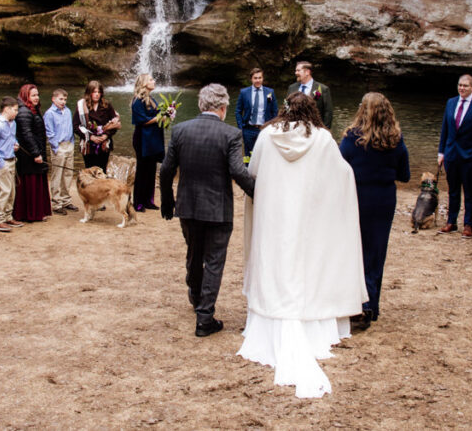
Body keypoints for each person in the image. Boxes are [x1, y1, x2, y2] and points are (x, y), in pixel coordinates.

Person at [238, 91, 367, 398]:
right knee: (305, 261)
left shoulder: (267, 135)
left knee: (275, 262)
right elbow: (342, 174)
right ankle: (312, 324)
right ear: (313, 109)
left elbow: (253, 175)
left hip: (273, 216)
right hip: (307, 218)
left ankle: (270, 320)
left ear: (284, 109)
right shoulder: (322, 139)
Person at [159, 84, 255, 338]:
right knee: (214, 261)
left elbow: (166, 170)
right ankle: (204, 317)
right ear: (223, 108)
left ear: (202, 105)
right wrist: (259, 193)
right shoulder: (232, 134)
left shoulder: (180, 130)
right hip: (217, 209)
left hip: (188, 206)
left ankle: (195, 297)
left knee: (194, 252)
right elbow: (237, 171)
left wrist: (168, 201)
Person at [339, 92, 410, 329]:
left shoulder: (351, 138)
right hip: (383, 199)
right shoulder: (396, 140)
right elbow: (405, 175)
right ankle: (371, 306)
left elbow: (338, 168)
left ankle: (353, 304)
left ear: (362, 111)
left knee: (354, 251)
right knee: (376, 252)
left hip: (356, 197)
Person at [437, 74, 472, 237]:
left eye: (465, 86)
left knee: (469, 190)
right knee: (452, 189)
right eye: (460, 85)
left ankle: (468, 224)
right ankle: (451, 221)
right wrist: (441, 152)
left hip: (469, 155)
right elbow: (445, 129)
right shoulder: (451, 102)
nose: (462, 88)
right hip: (451, 153)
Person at [14, 84, 53, 223]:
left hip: (34, 151)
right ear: (26, 96)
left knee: (36, 181)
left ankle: (36, 212)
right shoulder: (24, 111)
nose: (37, 98)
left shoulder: (32, 110)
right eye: (33, 95)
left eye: (37, 95)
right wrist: (36, 153)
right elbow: (26, 134)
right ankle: (29, 214)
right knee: (30, 182)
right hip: (28, 156)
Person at [0, 97, 23, 233]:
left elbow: (12, 138)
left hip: (11, 159)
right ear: (7, 109)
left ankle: (8, 216)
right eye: (15, 110)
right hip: (2, 161)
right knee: (5, 190)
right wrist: (1, 163)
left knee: (12, 190)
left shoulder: (12, 123)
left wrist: (16, 145)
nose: (16, 113)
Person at [131, 73, 164, 211]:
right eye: (151, 79)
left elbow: (157, 116)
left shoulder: (152, 99)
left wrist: (167, 116)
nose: (153, 81)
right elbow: (142, 121)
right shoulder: (137, 101)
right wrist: (159, 117)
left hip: (153, 138)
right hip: (143, 139)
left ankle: (148, 200)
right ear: (144, 83)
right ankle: (138, 202)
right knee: (142, 170)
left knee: (151, 170)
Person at [74, 80, 121, 172]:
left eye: (99, 92)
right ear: (89, 93)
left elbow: (115, 123)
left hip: (104, 144)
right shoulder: (82, 106)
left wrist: (106, 135)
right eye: (94, 92)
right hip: (88, 145)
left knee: (102, 170)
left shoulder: (107, 105)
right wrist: (91, 137)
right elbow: (75, 126)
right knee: (90, 171)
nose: (97, 94)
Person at [44, 88, 76, 215]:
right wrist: (55, 147)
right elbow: (50, 132)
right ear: (54, 99)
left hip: (69, 144)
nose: (63, 101)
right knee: (57, 174)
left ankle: (66, 199)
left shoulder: (67, 111)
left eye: (65, 99)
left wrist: (72, 143)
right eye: (60, 99)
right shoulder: (50, 113)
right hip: (59, 145)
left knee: (68, 174)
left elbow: (70, 128)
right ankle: (57, 203)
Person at [235, 68, 278, 160]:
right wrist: (241, 128)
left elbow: (275, 111)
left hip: (264, 129)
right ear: (251, 79)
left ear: (263, 78)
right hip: (248, 129)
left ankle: (262, 173)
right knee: (248, 156)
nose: (258, 80)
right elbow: (238, 111)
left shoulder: (270, 92)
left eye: (260, 78)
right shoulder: (244, 92)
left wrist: (272, 127)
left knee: (264, 155)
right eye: (255, 78)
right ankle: (247, 173)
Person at [287, 60, 333, 129]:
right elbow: (286, 106)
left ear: (307, 72)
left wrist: (325, 130)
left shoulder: (323, 89)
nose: (296, 73)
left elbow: (328, 112)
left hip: (315, 128)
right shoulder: (291, 87)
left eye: (298, 70)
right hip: (294, 128)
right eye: (296, 70)